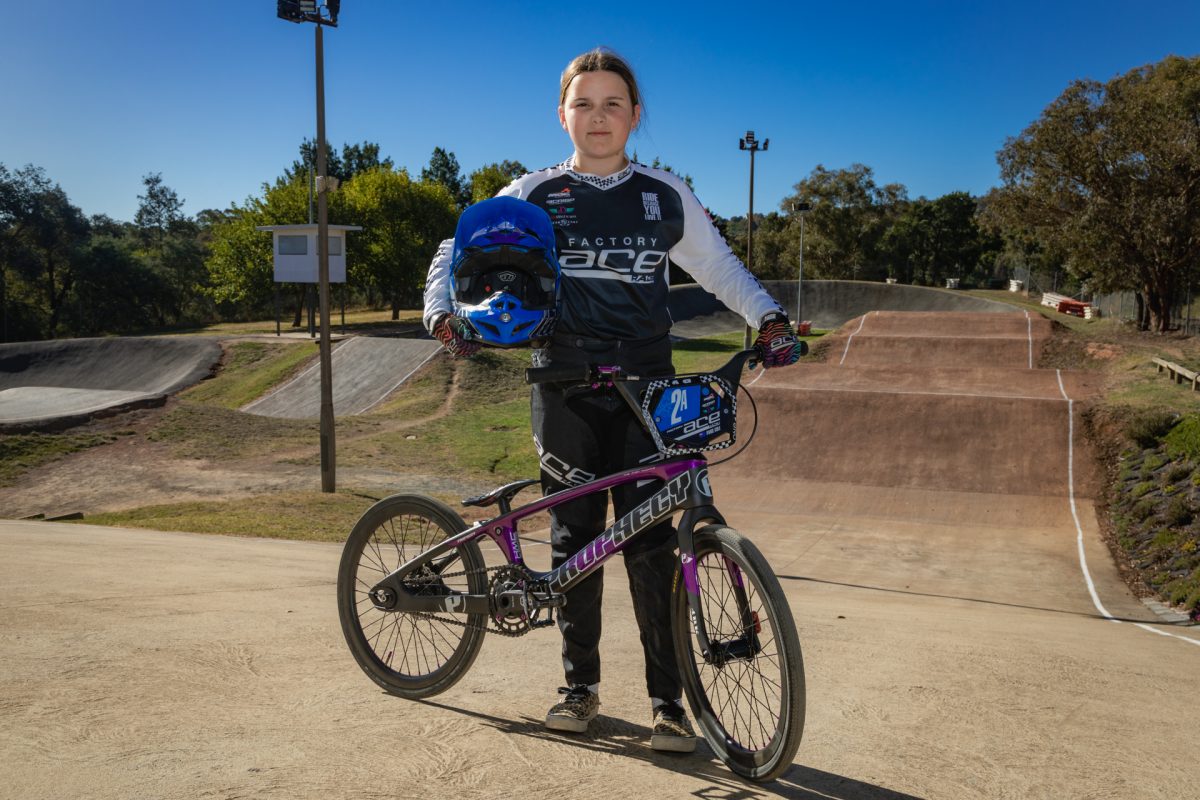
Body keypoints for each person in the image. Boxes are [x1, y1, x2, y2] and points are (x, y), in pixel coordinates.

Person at [423, 47, 801, 753]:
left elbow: (719, 267)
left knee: (654, 544)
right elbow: (456, 248)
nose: (598, 118)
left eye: (613, 104)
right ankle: (579, 690)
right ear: (562, 114)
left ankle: (669, 707)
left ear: (634, 114)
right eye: (584, 103)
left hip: (652, 388)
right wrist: (443, 313)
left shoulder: (663, 195)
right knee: (576, 542)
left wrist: (769, 319)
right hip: (564, 384)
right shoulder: (533, 192)